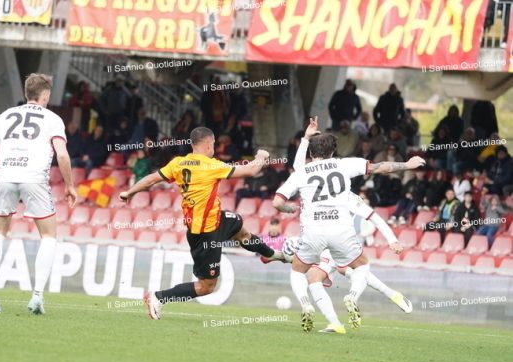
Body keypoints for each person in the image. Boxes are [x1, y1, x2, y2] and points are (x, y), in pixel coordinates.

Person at [119, 127, 290, 320]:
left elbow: (151, 179)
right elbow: (251, 170)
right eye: (214, 144)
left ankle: (271, 255)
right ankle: (158, 297)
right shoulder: (210, 165)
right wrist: (261, 156)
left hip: (216, 219)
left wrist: (130, 192)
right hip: (205, 234)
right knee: (206, 287)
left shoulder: (178, 163)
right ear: (208, 143)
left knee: (241, 232)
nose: (214, 147)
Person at [273, 116, 424, 333]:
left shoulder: (302, 172)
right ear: (333, 152)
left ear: (311, 154)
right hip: (341, 232)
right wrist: (407, 164)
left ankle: (306, 304)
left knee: (300, 271)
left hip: (313, 233)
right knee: (359, 268)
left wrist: (290, 209)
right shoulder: (345, 168)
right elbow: (380, 167)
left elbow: (278, 201)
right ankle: (351, 300)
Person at [0, 73, 77, 315]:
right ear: (45, 95)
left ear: (26, 93)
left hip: (5, 176)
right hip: (34, 179)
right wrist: (70, 185)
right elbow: (62, 155)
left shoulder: (6, 115)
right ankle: (37, 296)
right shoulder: (53, 119)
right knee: (49, 236)